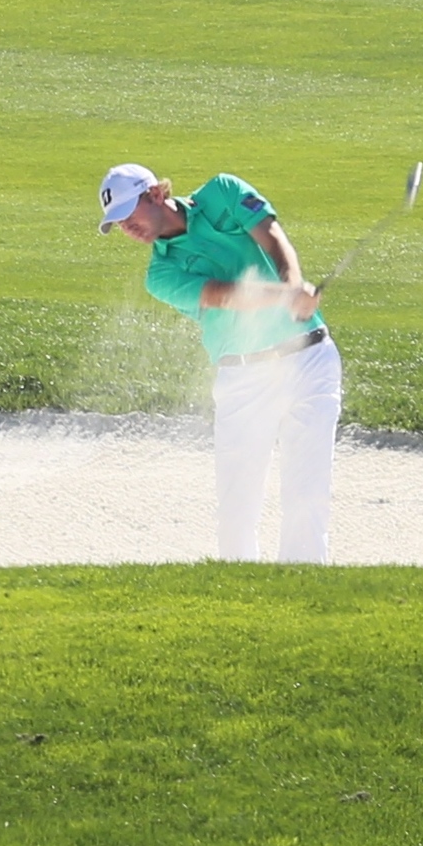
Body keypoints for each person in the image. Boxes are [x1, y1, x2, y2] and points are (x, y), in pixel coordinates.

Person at [98, 163, 342, 563]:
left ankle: (304, 583)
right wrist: (285, 297)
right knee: (236, 507)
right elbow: (222, 295)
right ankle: (240, 589)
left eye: (128, 214)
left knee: (307, 493)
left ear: (156, 194)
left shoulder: (223, 192)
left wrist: (293, 284)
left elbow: (272, 236)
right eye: (118, 222)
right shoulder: (161, 274)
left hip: (310, 359)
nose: (127, 227)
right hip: (244, 379)